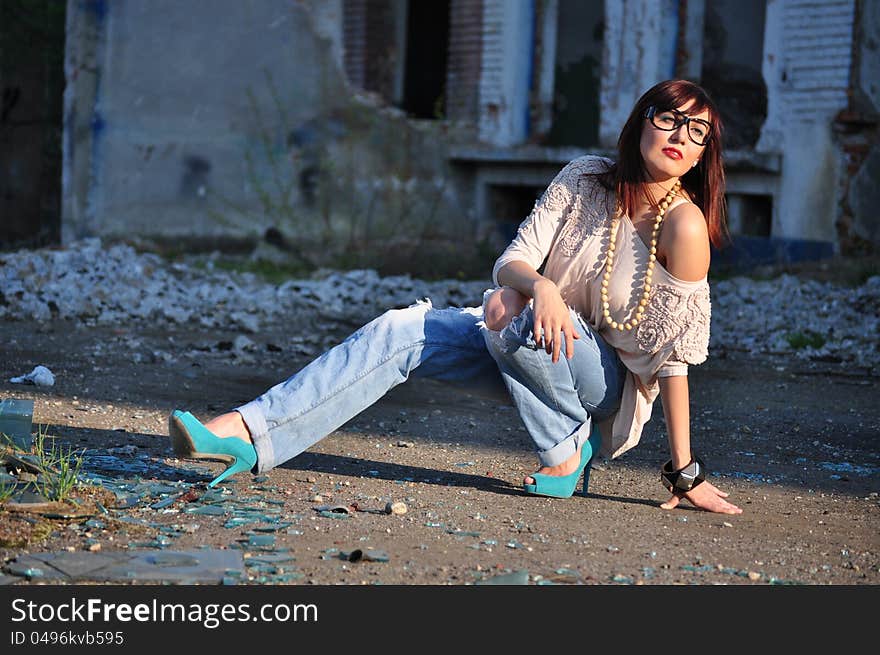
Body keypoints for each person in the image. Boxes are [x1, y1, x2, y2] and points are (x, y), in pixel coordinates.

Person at [170, 79, 742, 515]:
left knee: (510, 317)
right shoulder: (583, 178)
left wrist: (684, 472)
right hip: (529, 345)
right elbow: (511, 263)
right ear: (642, 122)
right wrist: (538, 286)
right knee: (403, 330)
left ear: (702, 155)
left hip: (603, 387)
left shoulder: (684, 227)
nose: (679, 137)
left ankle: (567, 448)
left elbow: (676, 357)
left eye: (697, 133)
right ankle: (248, 433)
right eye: (668, 119)